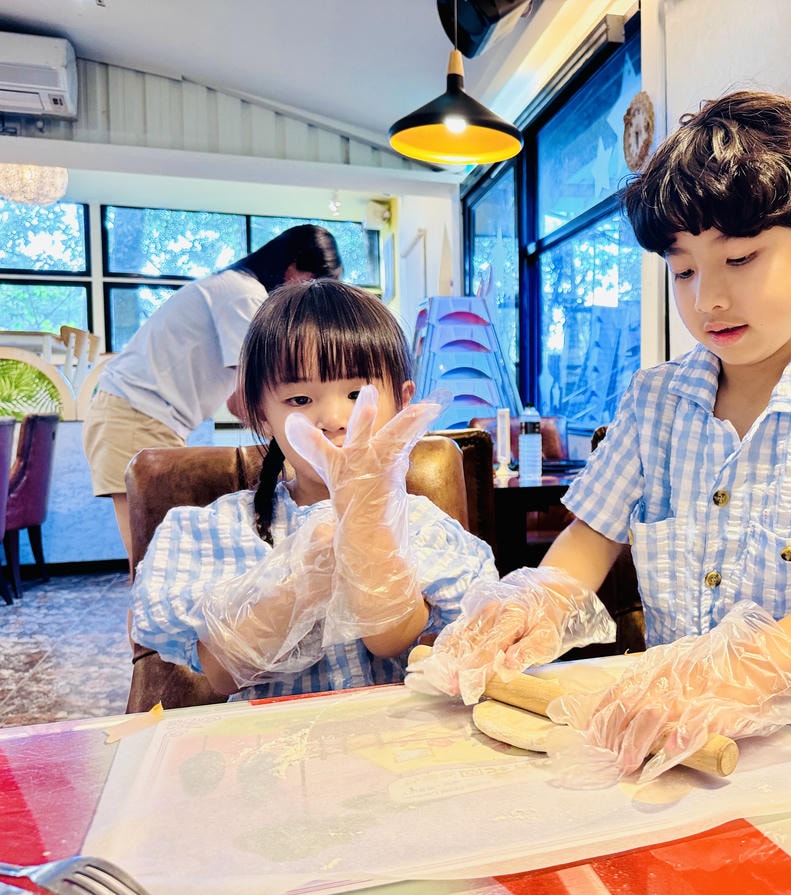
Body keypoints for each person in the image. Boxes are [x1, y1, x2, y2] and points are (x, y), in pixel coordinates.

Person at [410, 91, 791, 782]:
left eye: (739, 259)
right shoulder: (656, 401)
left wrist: (742, 673)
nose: (707, 298)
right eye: (683, 269)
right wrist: (537, 600)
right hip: (676, 746)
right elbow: (589, 539)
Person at [129, 279, 497, 700]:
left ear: (402, 401)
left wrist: (367, 532)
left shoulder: (422, 525)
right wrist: (302, 576)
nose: (335, 418)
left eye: (358, 393)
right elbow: (225, 673)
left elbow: (391, 640)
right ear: (261, 413)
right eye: (300, 399)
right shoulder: (218, 530)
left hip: (393, 747)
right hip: (271, 750)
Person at [83, 224, 344, 571]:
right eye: (313, 281)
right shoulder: (243, 295)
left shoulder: (234, 288)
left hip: (138, 415)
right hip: (133, 417)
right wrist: (298, 448)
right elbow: (246, 399)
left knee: (156, 557)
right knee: (153, 562)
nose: (308, 296)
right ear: (292, 266)